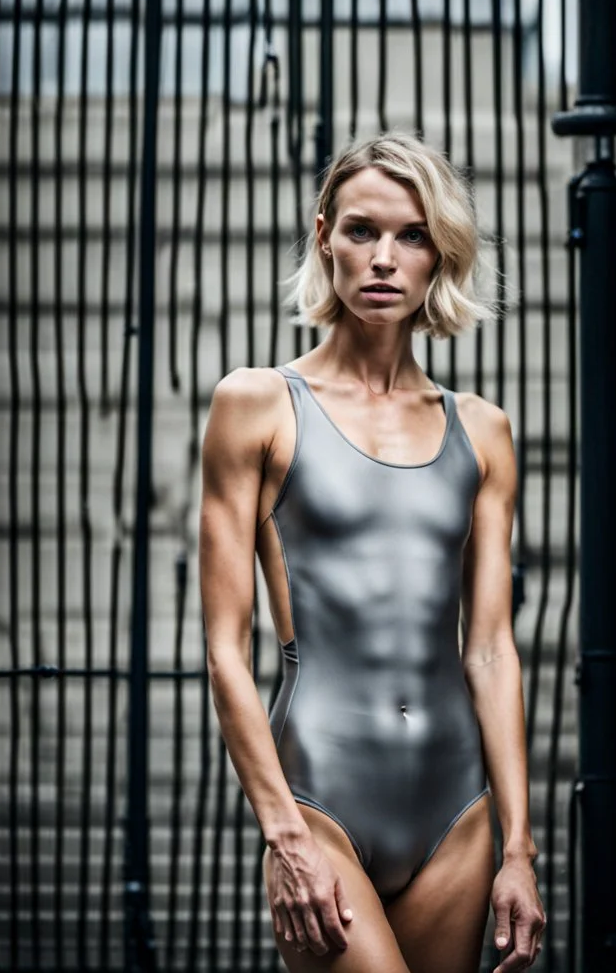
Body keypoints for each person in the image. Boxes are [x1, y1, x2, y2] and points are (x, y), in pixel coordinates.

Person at [200, 133, 546, 972]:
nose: (384, 258)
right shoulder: (256, 405)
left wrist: (518, 849)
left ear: (440, 255)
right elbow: (223, 649)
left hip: (457, 810)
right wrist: (282, 832)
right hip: (321, 801)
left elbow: (492, 649)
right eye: (362, 231)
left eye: (412, 235)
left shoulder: (482, 429)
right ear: (325, 237)